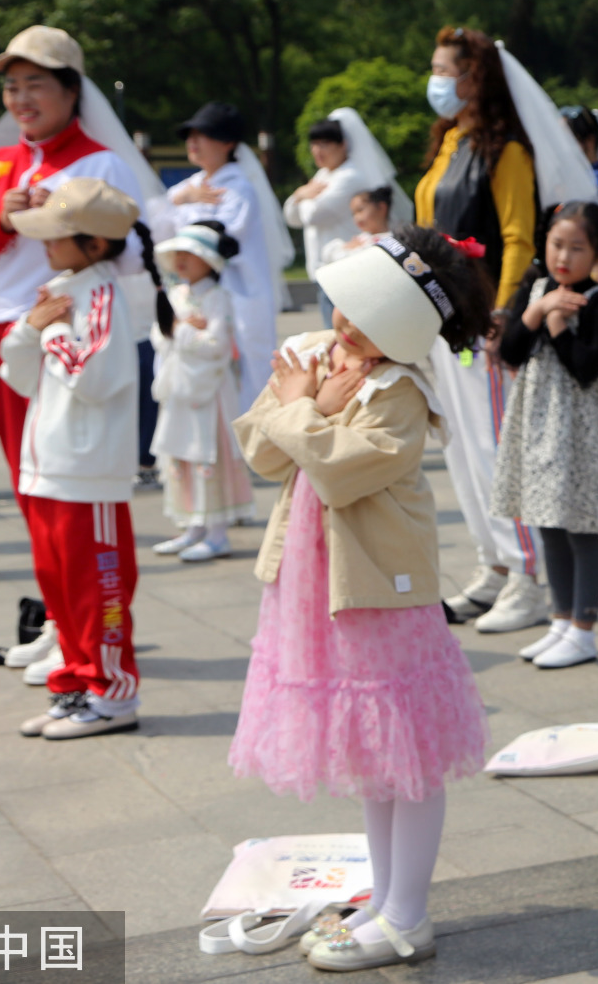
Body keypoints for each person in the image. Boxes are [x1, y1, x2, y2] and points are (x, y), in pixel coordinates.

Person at [229, 226, 494, 970]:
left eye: (365, 321)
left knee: (405, 743)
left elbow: (344, 467)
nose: (344, 328)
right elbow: (262, 447)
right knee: (377, 753)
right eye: (345, 310)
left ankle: (409, 913)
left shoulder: (401, 388)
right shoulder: (320, 353)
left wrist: (301, 408)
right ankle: (385, 897)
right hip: (320, 574)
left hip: (382, 579)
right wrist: (302, 401)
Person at [0, 26, 161, 685]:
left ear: (73, 89)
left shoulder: (101, 163)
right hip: (11, 334)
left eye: (36, 82)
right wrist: (3, 219)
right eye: (11, 86)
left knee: (83, 494)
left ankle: (100, 634)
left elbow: (127, 255)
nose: (21, 97)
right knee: (33, 487)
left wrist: (65, 219)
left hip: (75, 338)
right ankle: (62, 625)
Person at [419, 27, 594, 636]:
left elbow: (519, 235)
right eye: (436, 69)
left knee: (495, 446)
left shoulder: (506, 151)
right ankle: (492, 562)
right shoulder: (449, 145)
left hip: (482, 318)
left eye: (447, 70)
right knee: (460, 448)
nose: (437, 81)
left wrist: (502, 312)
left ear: (476, 78)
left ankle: (529, 573)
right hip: (442, 315)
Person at [2, 179, 154, 740]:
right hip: (49, 465)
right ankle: (72, 688)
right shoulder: (64, 289)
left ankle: (113, 693)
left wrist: (52, 331)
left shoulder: (105, 295)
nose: (46, 244)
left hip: (89, 472)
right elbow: (18, 370)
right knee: (61, 587)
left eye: (58, 236)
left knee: (98, 590)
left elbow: (94, 376)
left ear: (95, 243)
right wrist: (31, 329)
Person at [491, 202, 598, 669]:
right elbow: (509, 350)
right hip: (539, 425)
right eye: (557, 244)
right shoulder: (536, 289)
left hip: (582, 428)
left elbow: (586, 367)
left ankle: (584, 629)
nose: (564, 256)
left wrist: (555, 324)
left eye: (577, 247)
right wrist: (537, 311)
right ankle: (559, 620)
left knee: (581, 526)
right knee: (547, 521)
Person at [163, 102, 290, 413]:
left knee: (247, 365)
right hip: (196, 289)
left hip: (238, 291)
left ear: (228, 143)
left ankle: (249, 440)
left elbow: (221, 238)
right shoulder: (189, 187)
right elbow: (155, 220)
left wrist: (182, 208)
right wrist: (182, 199)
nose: (193, 142)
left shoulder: (239, 188)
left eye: (203, 135)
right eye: (190, 135)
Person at [148, 221, 254, 562]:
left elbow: (219, 345)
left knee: (209, 454)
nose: (181, 261)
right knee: (182, 454)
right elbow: (159, 334)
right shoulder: (177, 295)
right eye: (178, 253)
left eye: (190, 255)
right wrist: (181, 331)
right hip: (182, 387)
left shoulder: (217, 297)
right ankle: (192, 526)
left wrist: (182, 334)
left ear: (210, 261)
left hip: (209, 392)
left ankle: (218, 533)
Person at [286, 109, 411, 326]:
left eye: (325, 143)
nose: (317, 150)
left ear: (342, 144)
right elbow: (291, 216)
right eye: (314, 144)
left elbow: (313, 215)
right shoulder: (323, 175)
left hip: (344, 269)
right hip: (324, 269)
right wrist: (300, 195)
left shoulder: (351, 176)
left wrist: (302, 195)